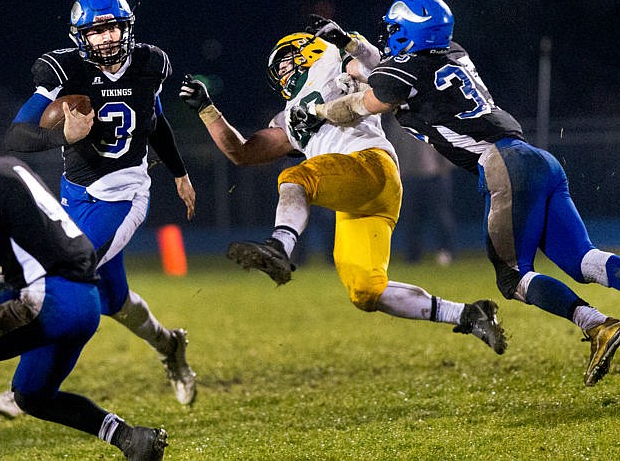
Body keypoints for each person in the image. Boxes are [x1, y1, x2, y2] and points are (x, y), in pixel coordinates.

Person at [299, 0, 620, 386]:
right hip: (537, 158)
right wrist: (348, 42)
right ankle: (599, 324)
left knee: (513, 278)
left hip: (502, 166)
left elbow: (358, 104)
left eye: (397, 29)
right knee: (583, 259)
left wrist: (314, 110)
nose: (391, 36)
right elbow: (392, 70)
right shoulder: (452, 51)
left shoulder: (406, 72)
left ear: (408, 33)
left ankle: (597, 325)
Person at [179, 30, 506, 355]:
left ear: (306, 51)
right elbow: (243, 153)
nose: (280, 75)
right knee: (366, 291)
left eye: (283, 64)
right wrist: (207, 110)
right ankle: (468, 314)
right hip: (361, 198)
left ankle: (279, 246)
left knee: (296, 177)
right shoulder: (287, 117)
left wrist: (351, 50)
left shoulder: (332, 62)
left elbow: (377, 67)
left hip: (369, 163)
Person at [0, 98, 167, 460]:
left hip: (47, 299)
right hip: (85, 300)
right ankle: (131, 439)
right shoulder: (8, 167)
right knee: (31, 395)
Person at [0, 0, 197, 416]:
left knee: (68, 278)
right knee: (116, 301)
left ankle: (28, 387)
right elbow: (16, 135)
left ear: (127, 28)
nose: (107, 38)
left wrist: (179, 172)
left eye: (113, 28)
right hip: (73, 197)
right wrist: (60, 137)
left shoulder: (149, 63)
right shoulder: (63, 70)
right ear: (79, 35)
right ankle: (171, 345)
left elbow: (154, 120)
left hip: (123, 196)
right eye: (97, 30)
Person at [392, 129, 456, 265]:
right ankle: (413, 255)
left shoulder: (432, 118)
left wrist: (444, 169)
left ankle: (445, 251)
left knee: (441, 216)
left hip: (435, 175)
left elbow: (446, 145)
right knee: (411, 218)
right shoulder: (398, 122)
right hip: (408, 176)